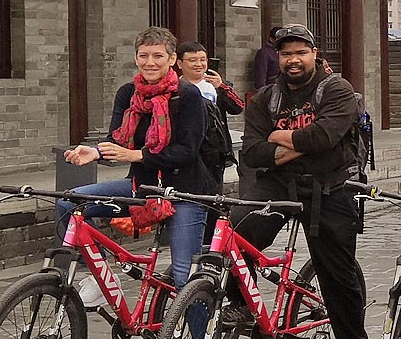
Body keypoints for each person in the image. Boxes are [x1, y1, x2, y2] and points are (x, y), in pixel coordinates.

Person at [236, 24, 371, 339]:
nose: (293, 60)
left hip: (330, 186)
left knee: (337, 275)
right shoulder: (266, 98)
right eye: (285, 54)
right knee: (237, 233)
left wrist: (280, 138)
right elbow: (251, 152)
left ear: (314, 55)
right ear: (278, 58)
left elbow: (326, 136)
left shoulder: (337, 89)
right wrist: (302, 141)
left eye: (300, 52)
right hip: (279, 185)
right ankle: (238, 304)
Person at [57, 27, 210, 290]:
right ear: (136, 57)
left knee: (185, 278)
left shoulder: (187, 95)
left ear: (172, 59)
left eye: (158, 56)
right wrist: (94, 152)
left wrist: (138, 155)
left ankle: (200, 332)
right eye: (143, 55)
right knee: (68, 204)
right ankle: (100, 277)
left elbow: (187, 151)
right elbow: (117, 140)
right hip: (142, 186)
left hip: (186, 192)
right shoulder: (128, 94)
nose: (150, 62)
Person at [178, 41, 245, 190]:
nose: (198, 64)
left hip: (215, 151)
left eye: (202, 60)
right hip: (189, 149)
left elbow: (238, 107)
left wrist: (221, 87)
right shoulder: (175, 88)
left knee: (215, 194)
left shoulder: (217, 85)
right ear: (180, 63)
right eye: (192, 60)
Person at [251, 27, 281, 92]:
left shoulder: (282, 52)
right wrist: (263, 93)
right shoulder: (264, 53)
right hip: (271, 90)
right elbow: (260, 76)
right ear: (272, 39)